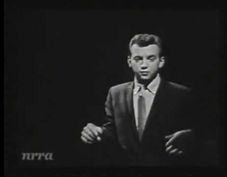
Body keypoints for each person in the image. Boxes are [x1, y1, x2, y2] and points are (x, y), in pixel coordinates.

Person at [81, 34, 196, 166]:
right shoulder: (115, 93)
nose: (144, 65)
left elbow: (204, 132)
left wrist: (192, 137)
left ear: (161, 61)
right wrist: (97, 132)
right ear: (129, 62)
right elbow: (112, 130)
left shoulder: (181, 94)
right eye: (138, 59)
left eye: (151, 58)